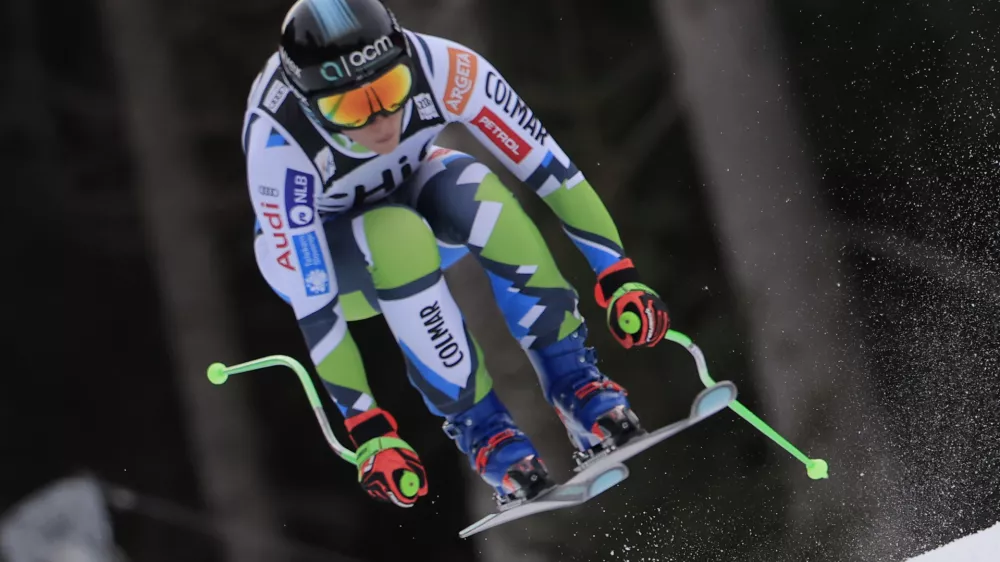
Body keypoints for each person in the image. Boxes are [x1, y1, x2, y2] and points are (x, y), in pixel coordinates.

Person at [242, 0, 671, 509]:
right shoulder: (278, 144)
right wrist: (367, 426)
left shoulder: (444, 67)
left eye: (392, 90)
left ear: (404, 60)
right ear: (311, 104)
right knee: (395, 232)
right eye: (351, 108)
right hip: (334, 264)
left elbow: (555, 173)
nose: (381, 120)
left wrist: (619, 275)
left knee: (475, 185)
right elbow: (316, 312)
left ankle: (578, 385)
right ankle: (485, 432)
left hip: (413, 205)